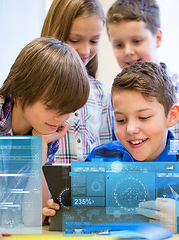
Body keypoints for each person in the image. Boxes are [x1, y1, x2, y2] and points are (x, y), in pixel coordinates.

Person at [43, 61, 179, 229]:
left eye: (143, 117)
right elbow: (73, 209)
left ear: (172, 116)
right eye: (120, 120)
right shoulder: (101, 157)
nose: (131, 129)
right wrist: (56, 210)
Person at [0, 37, 90, 239]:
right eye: (52, 107)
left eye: (68, 111)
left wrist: (39, 149)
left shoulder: (47, 133)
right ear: (20, 93)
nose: (61, 118)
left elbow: (32, 218)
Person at [105, 0, 179, 160]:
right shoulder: (113, 98)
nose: (128, 51)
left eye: (137, 41)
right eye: (119, 44)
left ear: (157, 38)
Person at [41, 0, 113, 163]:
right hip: (43, 186)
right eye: (74, 40)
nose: (85, 51)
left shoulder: (100, 92)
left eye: (94, 41)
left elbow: (106, 153)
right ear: (55, 34)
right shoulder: (37, 87)